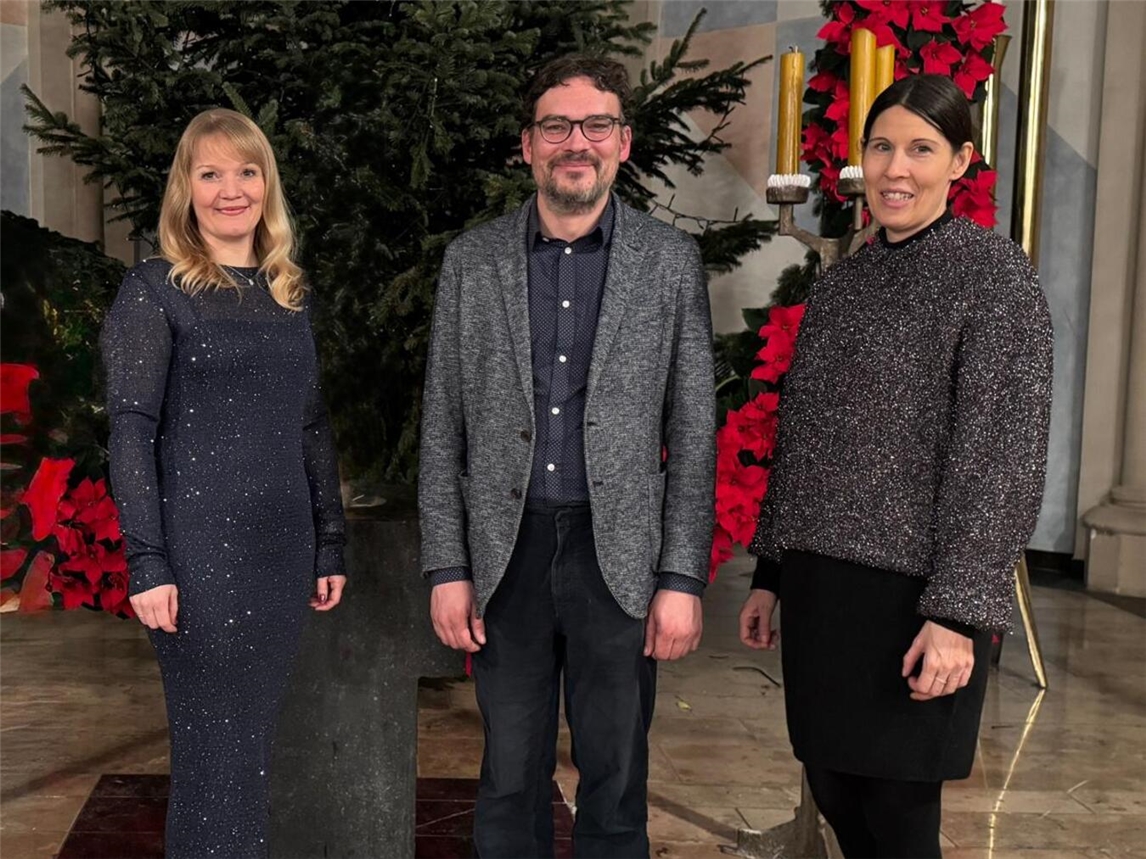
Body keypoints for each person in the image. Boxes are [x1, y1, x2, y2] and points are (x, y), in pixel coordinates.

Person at [739, 74, 1053, 859]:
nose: (895, 169)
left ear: (962, 162)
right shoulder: (843, 284)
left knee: (899, 816)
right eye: (881, 147)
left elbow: (1002, 459)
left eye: (921, 148)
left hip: (917, 598)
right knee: (838, 790)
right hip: (823, 590)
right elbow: (805, 435)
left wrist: (956, 614)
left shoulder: (993, 278)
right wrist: (772, 570)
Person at [419, 55, 716, 859]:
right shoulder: (471, 264)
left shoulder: (668, 263)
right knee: (508, 775)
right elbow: (442, 426)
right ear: (528, 145)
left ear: (622, 142)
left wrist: (681, 578)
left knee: (614, 775)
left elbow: (692, 430)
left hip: (616, 560)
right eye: (556, 125)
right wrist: (448, 565)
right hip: (504, 558)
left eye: (595, 125)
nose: (574, 141)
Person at [101, 108, 347, 858]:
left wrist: (330, 539)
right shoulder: (154, 290)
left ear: (266, 185)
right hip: (200, 558)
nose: (230, 188)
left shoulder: (287, 294)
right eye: (210, 173)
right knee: (215, 759)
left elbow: (309, 426)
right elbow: (131, 428)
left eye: (246, 171)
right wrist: (147, 559)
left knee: (245, 758)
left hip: (280, 556)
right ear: (187, 188)